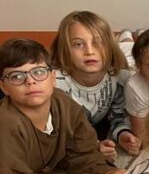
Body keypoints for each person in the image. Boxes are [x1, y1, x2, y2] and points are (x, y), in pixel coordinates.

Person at [0, 38, 122, 174]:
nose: (30, 81)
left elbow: (79, 152)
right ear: (4, 87)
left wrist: (103, 171)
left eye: (38, 72)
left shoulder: (64, 103)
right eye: (17, 76)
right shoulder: (7, 124)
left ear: (53, 78)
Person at [50, 10, 137, 160]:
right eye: (78, 44)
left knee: (132, 57)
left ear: (109, 46)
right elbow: (59, 131)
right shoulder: (54, 83)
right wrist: (92, 145)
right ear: (64, 49)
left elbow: (119, 117)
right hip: (78, 130)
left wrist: (123, 134)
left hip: (123, 62)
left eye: (99, 42)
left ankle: (127, 39)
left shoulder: (122, 78)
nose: (89, 51)